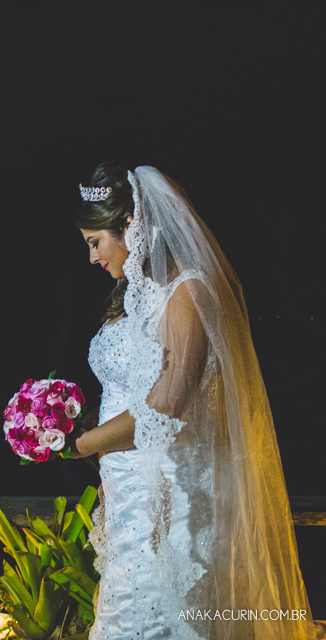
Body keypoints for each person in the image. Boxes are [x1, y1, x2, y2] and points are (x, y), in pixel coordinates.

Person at [68, 163, 314, 639]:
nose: (93, 257)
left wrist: (84, 444)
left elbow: (169, 403)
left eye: (95, 241)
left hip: (170, 492)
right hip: (127, 496)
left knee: (164, 616)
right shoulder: (135, 296)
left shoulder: (188, 289)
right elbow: (138, 387)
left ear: (130, 227)